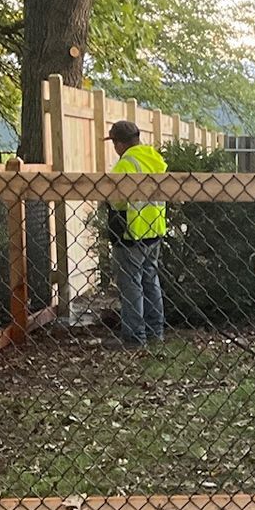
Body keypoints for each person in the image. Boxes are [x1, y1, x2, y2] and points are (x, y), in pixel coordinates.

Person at [105, 119, 167, 346]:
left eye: (114, 142)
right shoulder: (155, 158)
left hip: (130, 232)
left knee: (131, 285)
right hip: (155, 229)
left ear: (120, 143)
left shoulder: (125, 165)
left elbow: (117, 201)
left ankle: (134, 337)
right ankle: (155, 331)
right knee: (151, 280)